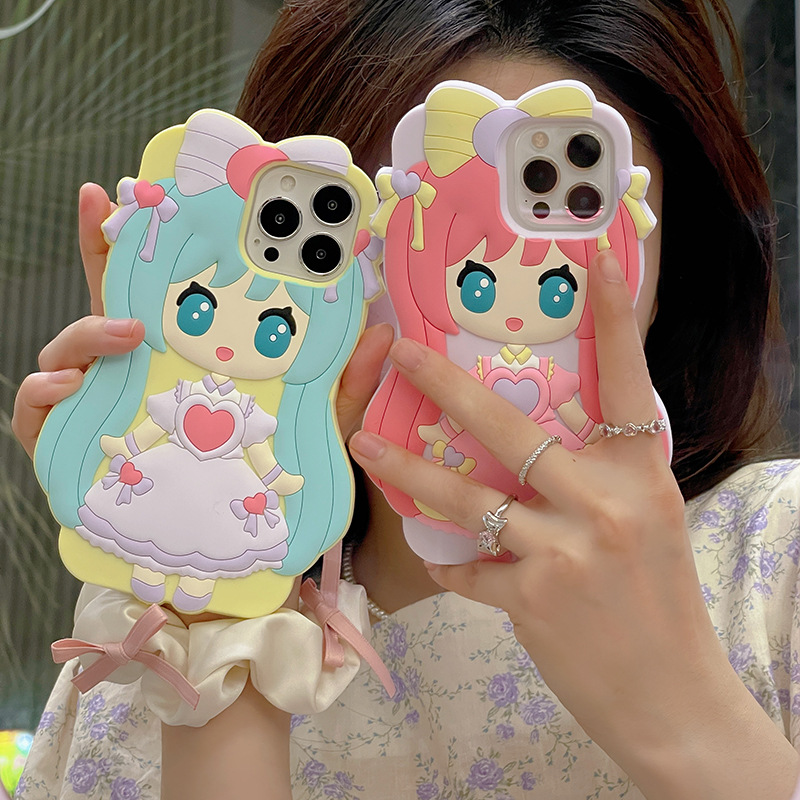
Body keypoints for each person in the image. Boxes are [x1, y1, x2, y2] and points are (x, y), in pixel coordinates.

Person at [10, 0, 800, 798]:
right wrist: (223, 618)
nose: (505, 316)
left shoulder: (778, 560)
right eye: (388, 222)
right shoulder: (146, 636)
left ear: (669, 270)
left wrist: (681, 712)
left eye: (571, 241)